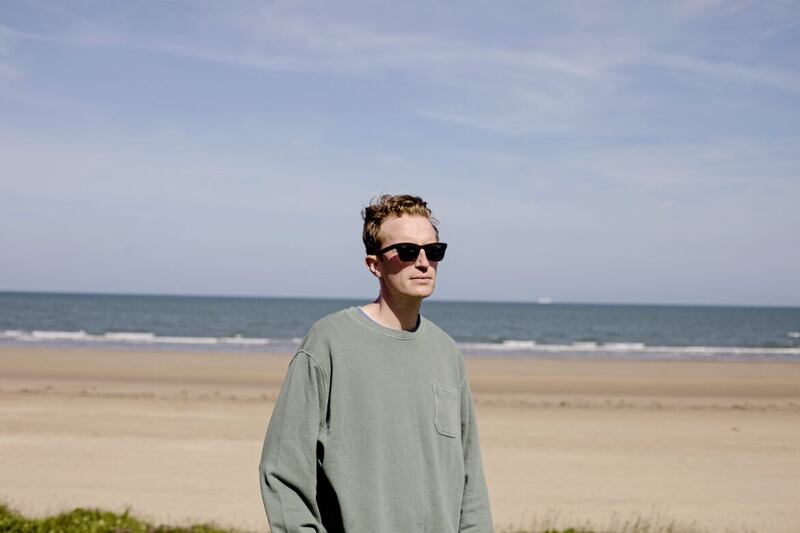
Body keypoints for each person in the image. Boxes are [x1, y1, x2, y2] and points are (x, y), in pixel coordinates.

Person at [258, 193, 493, 533]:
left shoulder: (447, 352)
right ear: (375, 265)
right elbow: (282, 471)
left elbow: (470, 475)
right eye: (408, 252)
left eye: (434, 250)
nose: (424, 262)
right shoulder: (329, 342)